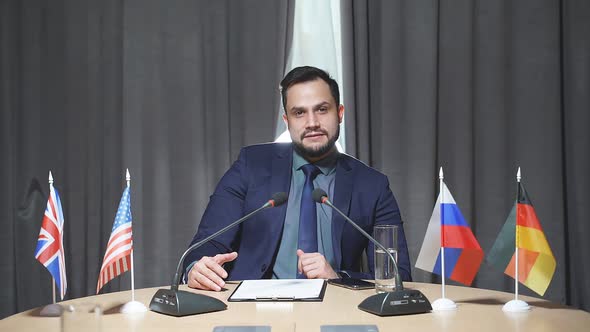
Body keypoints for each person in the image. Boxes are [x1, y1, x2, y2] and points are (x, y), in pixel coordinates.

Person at [184, 66, 411, 291]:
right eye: (299, 113)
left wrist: (338, 277)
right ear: (287, 120)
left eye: (322, 109)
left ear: (340, 113)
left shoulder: (373, 185)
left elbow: (397, 275)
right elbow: (209, 240)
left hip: (335, 308)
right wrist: (196, 268)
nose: (312, 122)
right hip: (254, 309)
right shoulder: (251, 165)